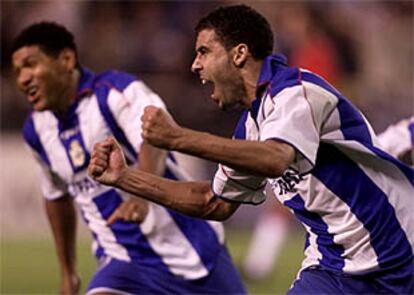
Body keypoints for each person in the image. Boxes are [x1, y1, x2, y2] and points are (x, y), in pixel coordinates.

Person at [89, 4, 414, 294]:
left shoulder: (296, 91)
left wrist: (177, 138)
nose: (194, 65)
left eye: (203, 52)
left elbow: (275, 158)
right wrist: (123, 178)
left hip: (404, 249)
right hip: (334, 267)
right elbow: (211, 203)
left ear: (239, 54)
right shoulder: (251, 127)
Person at [11, 22, 246, 295]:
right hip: (122, 264)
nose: (23, 78)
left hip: (192, 250)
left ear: (66, 59)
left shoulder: (114, 92)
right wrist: (68, 273)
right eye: (17, 71)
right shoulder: (36, 131)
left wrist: (141, 196)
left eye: (31, 64)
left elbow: (155, 137)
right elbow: (56, 196)